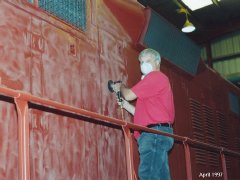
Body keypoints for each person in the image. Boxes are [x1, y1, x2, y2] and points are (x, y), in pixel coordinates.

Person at [112, 48, 175, 180]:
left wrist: (120, 86)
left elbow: (129, 95)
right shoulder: (154, 85)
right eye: (141, 62)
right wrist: (125, 105)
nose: (143, 65)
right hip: (159, 133)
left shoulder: (155, 77)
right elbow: (140, 113)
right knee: (160, 175)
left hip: (153, 134)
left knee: (148, 175)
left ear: (157, 62)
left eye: (148, 61)